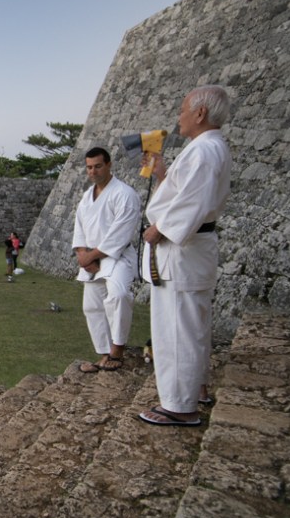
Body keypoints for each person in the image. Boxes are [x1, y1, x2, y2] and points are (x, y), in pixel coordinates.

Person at [138, 85, 232, 427]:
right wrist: (163, 173)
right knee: (192, 325)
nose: (178, 117)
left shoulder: (205, 150)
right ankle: (197, 389)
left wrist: (159, 229)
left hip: (183, 250)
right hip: (192, 250)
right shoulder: (206, 148)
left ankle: (180, 406)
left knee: (177, 329)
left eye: (182, 110)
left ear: (200, 113)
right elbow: (186, 192)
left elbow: (193, 203)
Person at [72, 147, 141, 373]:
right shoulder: (87, 197)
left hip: (116, 256)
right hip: (91, 260)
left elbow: (120, 233)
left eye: (98, 166)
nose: (93, 171)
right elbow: (79, 228)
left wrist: (91, 256)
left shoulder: (124, 194)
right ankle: (103, 353)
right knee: (92, 307)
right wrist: (82, 255)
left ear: (109, 165)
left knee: (119, 296)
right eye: (89, 167)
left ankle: (117, 350)